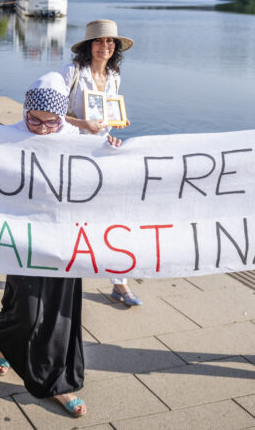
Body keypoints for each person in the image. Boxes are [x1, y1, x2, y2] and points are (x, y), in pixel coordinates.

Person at [0, 72, 122, 419]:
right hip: (22, 237)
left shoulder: (74, 140)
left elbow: (100, 173)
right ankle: (4, 337)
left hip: (64, 239)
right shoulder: (6, 138)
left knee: (61, 314)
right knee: (27, 306)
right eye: (35, 120)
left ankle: (59, 383)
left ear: (62, 119)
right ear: (25, 112)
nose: (42, 129)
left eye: (51, 123)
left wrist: (110, 152)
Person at [59, 19, 141, 307]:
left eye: (110, 42)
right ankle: (61, 274)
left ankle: (120, 281)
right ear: (88, 46)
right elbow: (50, 111)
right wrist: (83, 123)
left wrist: (116, 123)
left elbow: (109, 114)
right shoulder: (72, 72)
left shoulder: (115, 76)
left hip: (102, 153)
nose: (105, 46)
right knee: (72, 216)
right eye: (99, 41)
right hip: (72, 152)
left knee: (113, 216)